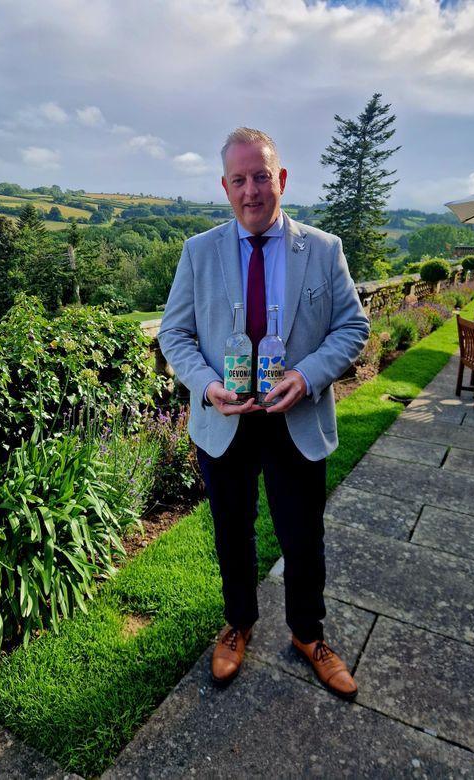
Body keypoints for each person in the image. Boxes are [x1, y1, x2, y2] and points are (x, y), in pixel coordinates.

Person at [158, 127, 369, 699]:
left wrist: (307, 375)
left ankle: (309, 635)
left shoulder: (323, 249)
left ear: (280, 179)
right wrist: (205, 386)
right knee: (232, 533)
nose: (251, 190)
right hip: (224, 422)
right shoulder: (198, 252)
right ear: (225, 187)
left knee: (303, 537)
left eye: (260, 177)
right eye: (238, 179)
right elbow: (174, 334)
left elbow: (353, 326)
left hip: (294, 419)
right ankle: (239, 624)